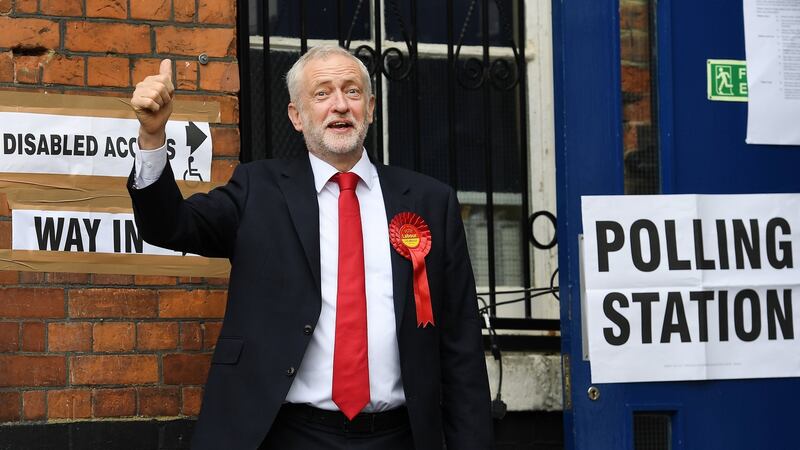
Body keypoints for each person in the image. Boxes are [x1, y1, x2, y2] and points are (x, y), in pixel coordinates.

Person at [128, 45, 492, 450]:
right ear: (296, 116)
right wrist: (152, 135)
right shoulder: (257, 189)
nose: (339, 105)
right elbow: (170, 226)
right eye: (322, 94)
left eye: (352, 92)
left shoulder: (429, 201)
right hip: (287, 433)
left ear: (370, 108)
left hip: (401, 435)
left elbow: (461, 342)